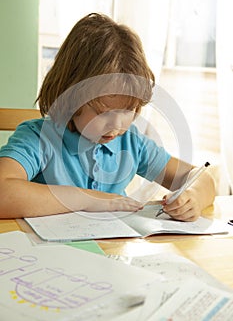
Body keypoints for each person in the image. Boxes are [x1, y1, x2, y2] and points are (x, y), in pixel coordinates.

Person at [0, 13, 215, 220]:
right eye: (104, 112)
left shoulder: (132, 144)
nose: (117, 125)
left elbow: (203, 179)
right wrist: (88, 200)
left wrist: (193, 196)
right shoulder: (39, 139)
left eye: (128, 110)